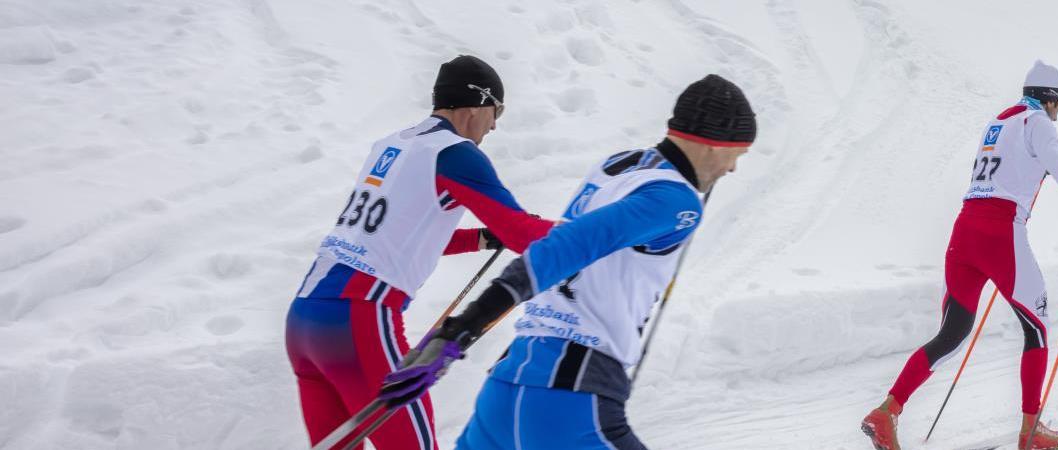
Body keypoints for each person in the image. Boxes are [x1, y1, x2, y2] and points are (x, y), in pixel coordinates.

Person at [376, 74, 758, 450]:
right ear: (714, 145)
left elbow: (564, 248)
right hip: (570, 397)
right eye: (737, 154)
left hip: (508, 386)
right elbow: (565, 247)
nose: (732, 169)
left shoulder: (618, 167)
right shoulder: (675, 201)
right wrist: (462, 329)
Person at [284, 55, 556, 450]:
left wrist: (480, 238)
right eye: (497, 111)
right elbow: (520, 232)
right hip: (357, 319)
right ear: (477, 103)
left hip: (305, 319)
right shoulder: (456, 153)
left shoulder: (392, 144)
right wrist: (596, 233)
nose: (494, 125)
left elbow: (395, 234)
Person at [860, 61, 1058, 450]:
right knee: (1035, 327)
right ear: (1050, 99)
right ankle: (1031, 433)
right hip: (1000, 233)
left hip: (964, 231)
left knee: (951, 334)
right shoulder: (1039, 123)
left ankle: (887, 411)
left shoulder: (998, 122)